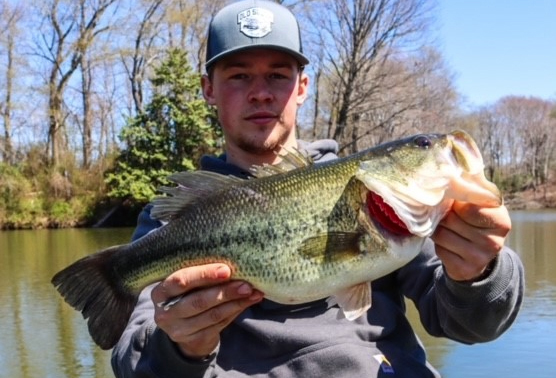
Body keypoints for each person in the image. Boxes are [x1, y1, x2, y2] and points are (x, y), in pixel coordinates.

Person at [111, 1, 524, 377]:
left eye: (278, 74)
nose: (261, 91)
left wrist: (481, 273)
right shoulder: (173, 219)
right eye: (239, 76)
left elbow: (471, 324)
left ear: (303, 87)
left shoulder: (391, 206)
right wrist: (182, 348)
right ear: (209, 90)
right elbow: (132, 359)